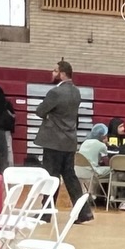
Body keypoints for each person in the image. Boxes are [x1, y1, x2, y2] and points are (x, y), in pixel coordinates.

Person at [34, 60, 95, 224]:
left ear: (62, 74)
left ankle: (46, 212)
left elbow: (40, 111)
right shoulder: (76, 92)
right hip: (69, 141)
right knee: (70, 176)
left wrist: (49, 115)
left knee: (51, 176)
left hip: (54, 141)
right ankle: (84, 212)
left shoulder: (55, 92)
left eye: (55, 71)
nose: (52, 73)